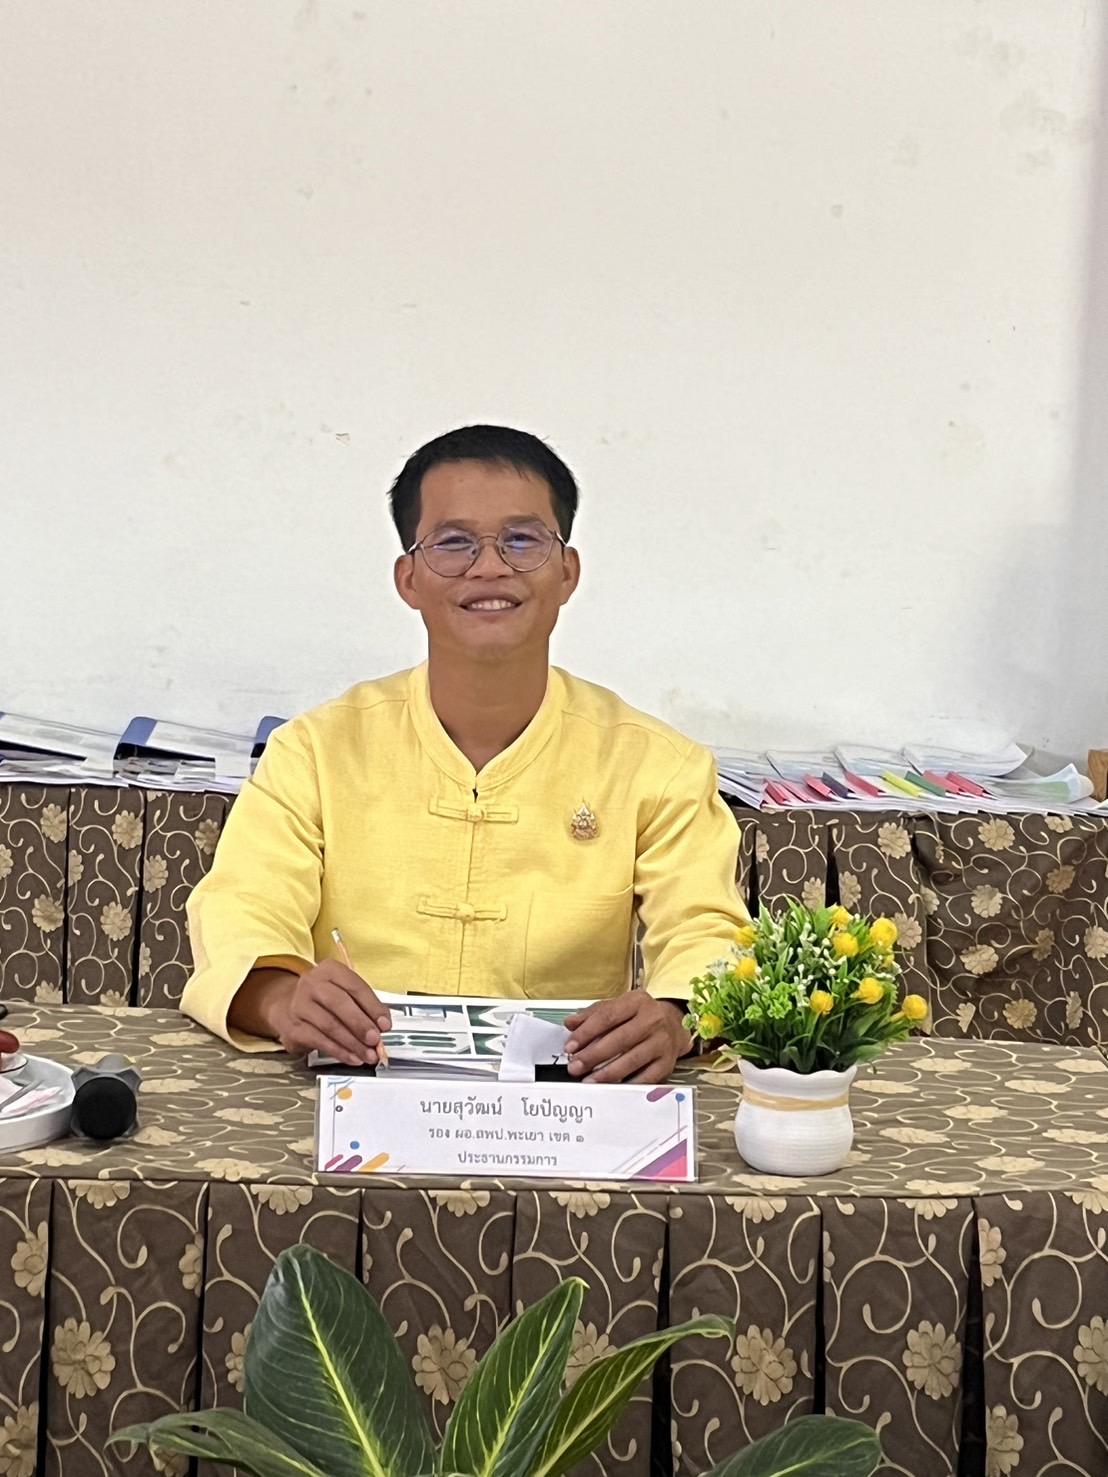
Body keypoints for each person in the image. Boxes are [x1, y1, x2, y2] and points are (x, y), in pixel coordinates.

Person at [180, 425, 749, 1082]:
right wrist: (283, 1000)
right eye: (454, 543)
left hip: (567, 1099)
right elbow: (243, 907)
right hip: (350, 1089)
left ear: (567, 572)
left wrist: (676, 1017)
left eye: (522, 540)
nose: (489, 567)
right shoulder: (316, 751)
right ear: (409, 579)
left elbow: (708, 933)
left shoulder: (655, 765)